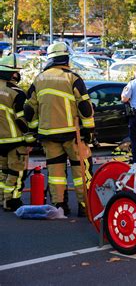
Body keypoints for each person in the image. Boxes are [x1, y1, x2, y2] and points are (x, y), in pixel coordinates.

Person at [24, 42, 95, 217]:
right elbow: (85, 107)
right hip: (72, 134)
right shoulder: (72, 78)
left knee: (56, 172)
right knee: (80, 170)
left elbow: (29, 110)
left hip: (48, 134)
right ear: (66, 58)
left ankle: (59, 205)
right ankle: (85, 205)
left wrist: (34, 130)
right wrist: (89, 132)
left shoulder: (38, 79)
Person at [0, 54, 32, 211]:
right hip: (14, 140)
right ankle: (12, 201)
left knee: (2, 172)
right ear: (13, 73)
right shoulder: (17, 92)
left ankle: (2, 199)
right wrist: (29, 136)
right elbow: (21, 119)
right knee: (17, 172)